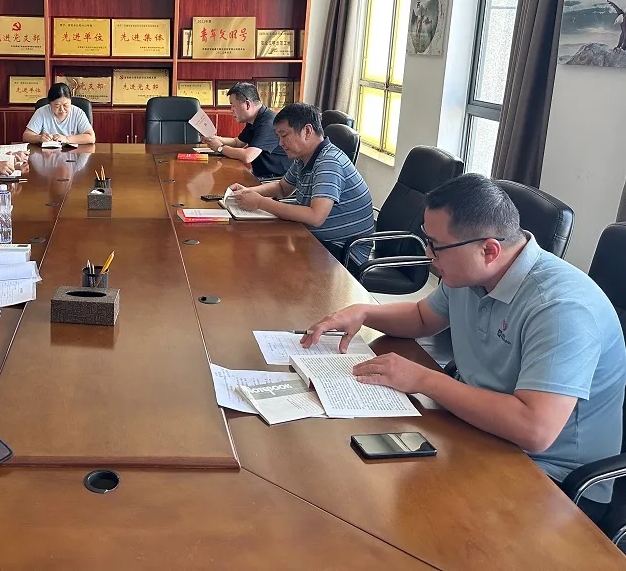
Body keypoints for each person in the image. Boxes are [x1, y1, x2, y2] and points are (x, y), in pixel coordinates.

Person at [302, 174, 626, 515]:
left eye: (435, 245)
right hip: (478, 432)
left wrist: (423, 379)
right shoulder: (470, 274)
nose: (428, 255)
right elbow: (422, 318)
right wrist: (364, 312)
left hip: (551, 478)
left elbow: (535, 429)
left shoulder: (562, 308)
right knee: (353, 476)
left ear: (489, 249)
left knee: (397, 511)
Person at [229, 103, 374, 262]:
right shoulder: (304, 157)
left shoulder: (329, 162)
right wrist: (248, 191)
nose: (280, 143)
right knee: (260, 247)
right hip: (315, 239)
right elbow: (282, 188)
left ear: (307, 131)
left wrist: (260, 202)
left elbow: (315, 217)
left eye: (284, 135)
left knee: (264, 258)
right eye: (278, 137)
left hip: (343, 253)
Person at [200, 82, 290, 179]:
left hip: (276, 180)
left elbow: (248, 156)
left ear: (247, 104)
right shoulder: (255, 119)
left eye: (233, 105)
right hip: (262, 175)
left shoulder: (267, 123)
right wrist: (214, 138)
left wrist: (220, 148)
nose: (231, 110)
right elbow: (237, 142)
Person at [22, 82, 96, 145]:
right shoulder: (41, 112)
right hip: (47, 154)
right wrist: (39, 138)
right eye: (57, 106)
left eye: (65, 105)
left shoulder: (78, 113)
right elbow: (26, 136)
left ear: (70, 101)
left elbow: (91, 137)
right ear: (50, 103)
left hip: (73, 153)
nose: (62, 110)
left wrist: (67, 139)